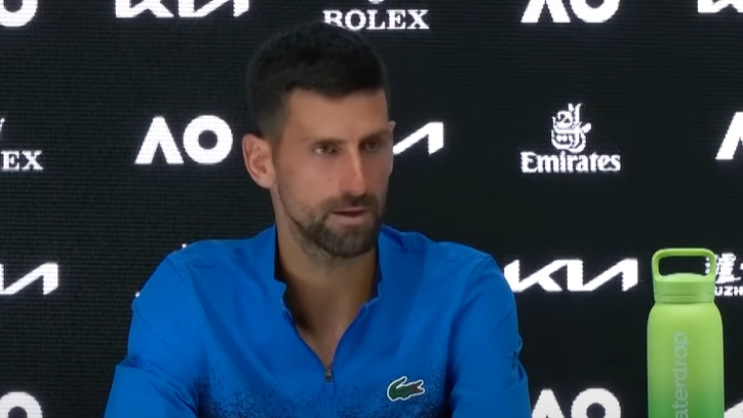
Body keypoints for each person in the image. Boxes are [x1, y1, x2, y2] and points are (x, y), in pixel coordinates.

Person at [104, 20, 530, 418]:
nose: (357, 182)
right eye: (326, 150)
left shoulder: (464, 291)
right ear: (260, 161)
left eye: (372, 145)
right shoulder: (191, 295)